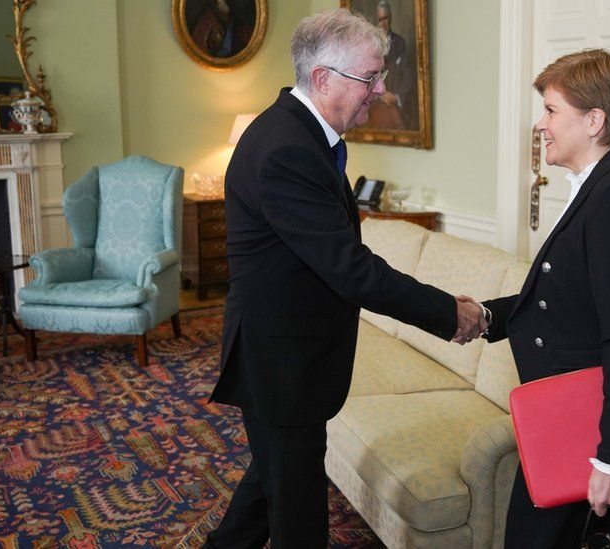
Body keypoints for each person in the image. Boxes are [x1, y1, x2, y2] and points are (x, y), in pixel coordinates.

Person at [203, 9, 485, 548]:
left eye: (381, 76)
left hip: (282, 354)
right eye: (370, 77)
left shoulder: (302, 133)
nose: (380, 90)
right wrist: (451, 312)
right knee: (298, 513)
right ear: (323, 78)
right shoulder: (288, 148)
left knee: (271, 479)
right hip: (283, 361)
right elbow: (351, 269)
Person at [476, 49, 610, 548]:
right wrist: (485, 316)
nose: (541, 125)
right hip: (559, 417)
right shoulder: (597, 187)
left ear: (595, 121)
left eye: (552, 111)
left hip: (583, 424)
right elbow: (562, 298)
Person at [368, 0, 417, 130]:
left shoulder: (400, 43)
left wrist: (396, 97)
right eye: (380, 19)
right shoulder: (371, 47)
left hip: (395, 101)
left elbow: (407, 78)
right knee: (391, 117)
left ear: (390, 18)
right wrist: (381, 95)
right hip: (376, 103)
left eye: (385, 19)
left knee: (395, 115)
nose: (383, 23)